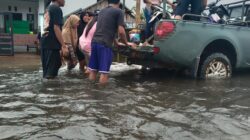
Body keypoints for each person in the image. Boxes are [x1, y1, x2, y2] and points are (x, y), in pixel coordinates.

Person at [88, 0, 136, 85]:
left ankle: (90, 92)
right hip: (105, 44)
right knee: (104, 72)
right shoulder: (119, 11)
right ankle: (102, 96)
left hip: (94, 42)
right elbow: (121, 31)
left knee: (93, 70)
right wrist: (126, 43)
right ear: (118, 2)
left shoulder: (102, 11)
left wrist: (116, 43)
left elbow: (106, 28)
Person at [40, 0, 66, 79]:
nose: (65, 1)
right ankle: (51, 90)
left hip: (45, 44)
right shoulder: (56, 8)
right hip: (52, 45)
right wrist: (63, 46)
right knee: (51, 74)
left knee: (47, 72)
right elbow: (56, 28)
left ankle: (46, 90)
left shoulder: (48, 8)